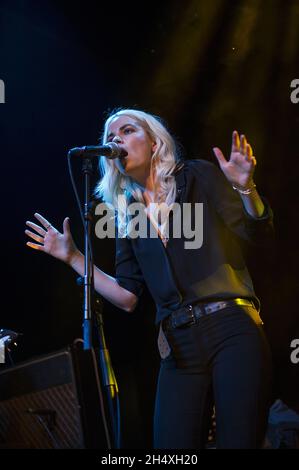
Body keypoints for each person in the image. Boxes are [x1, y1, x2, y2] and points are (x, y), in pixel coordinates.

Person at [25, 108, 273, 449]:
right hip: (178, 346)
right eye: (111, 138)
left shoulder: (197, 176)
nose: (116, 141)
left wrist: (247, 190)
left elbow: (258, 235)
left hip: (231, 325)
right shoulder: (129, 215)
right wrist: (74, 258)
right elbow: (127, 296)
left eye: (127, 131)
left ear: (155, 143)